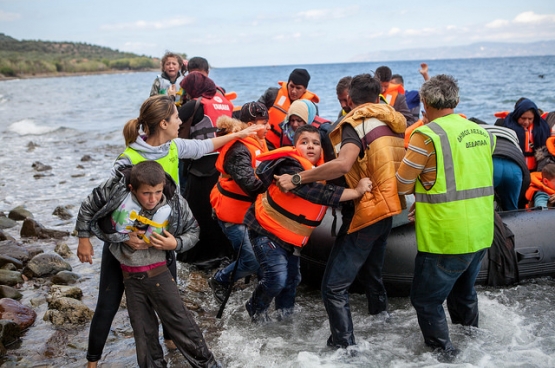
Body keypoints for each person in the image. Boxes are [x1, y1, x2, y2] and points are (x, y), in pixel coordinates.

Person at [77, 94, 261, 367]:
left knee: (169, 297)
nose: (180, 121)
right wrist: (86, 239)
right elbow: (100, 204)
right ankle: (93, 360)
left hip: (162, 240)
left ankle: (171, 341)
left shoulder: (173, 147)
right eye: (177, 117)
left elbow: (205, 146)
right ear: (163, 123)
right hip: (124, 242)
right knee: (109, 301)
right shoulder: (126, 161)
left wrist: (242, 132)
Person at [275, 73, 406, 348]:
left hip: (365, 212)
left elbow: (344, 164)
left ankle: (344, 349)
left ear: (351, 99)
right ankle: (382, 324)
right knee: (372, 275)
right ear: (377, 94)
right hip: (389, 209)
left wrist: (298, 178)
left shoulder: (355, 123)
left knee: (332, 288)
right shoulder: (392, 120)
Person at [76, 161, 220, 368]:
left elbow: (194, 232)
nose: (152, 199)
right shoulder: (116, 192)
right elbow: (88, 207)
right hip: (130, 276)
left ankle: (209, 365)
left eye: (157, 192)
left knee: (181, 323)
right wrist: (86, 238)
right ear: (132, 189)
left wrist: (175, 243)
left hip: (158, 273)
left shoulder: (174, 202)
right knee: (143, 332)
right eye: (146, 194)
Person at [396, 74, 495, 362]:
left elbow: (403, 184)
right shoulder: (481, 132)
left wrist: (421, 194)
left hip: (445, 236)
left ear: (424, 103)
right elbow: (464, 179)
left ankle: (444, 356)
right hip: (480, 230)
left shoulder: (425, 135)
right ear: (457, 100)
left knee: (426, 300)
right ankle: (475, 348)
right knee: (464, 294)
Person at [244, 124, 372, 322]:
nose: (310, 146)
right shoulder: (289, 165)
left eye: (316, 143)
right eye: (304, 142)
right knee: (277, 279)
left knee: (292, 280)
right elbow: (314, 192)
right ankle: (255, 309)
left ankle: (284, 319)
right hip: (266, 231)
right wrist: (355, 192)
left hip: (292, 238)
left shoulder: (322, 171)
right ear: (295, 147)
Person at [207, 102, 270, 302]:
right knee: (252, 260)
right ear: (251, 124)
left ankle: (259, 288)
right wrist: (278, 184)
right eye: (263, 123)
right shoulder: (239, 150)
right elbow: (250, 184)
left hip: (250, 212)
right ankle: (219, 279)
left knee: (261, 258)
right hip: (232, 215)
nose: (268, 127)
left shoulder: (258, 141)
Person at [177, 71, 237, 266]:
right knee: (219, 211)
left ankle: (195, 257)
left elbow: (169, 122)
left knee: (196, 213)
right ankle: (225, 254)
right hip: (225, 166)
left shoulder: (193, 105)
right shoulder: (225, 102)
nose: (184, 93)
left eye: (185, 90)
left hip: (201, 167)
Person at [470, 117, 530, 210]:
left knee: (485, 207)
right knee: (512, 209)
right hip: (515, 166)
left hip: (494, 164)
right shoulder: (510, 131)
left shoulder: (475, 131)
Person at [258, 68, 320, 149]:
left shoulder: (311, 108)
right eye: (291, 86)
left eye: (298, 88)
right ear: (288, 84)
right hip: (265, 142)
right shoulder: (272, 94)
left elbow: (313, 134)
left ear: (305, 90)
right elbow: (255, 114)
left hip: (291, 148)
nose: (293, 91)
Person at [501, 98, 550, 171]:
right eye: (523, 118)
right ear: (517, 115)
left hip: (536, 168)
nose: (526, 122)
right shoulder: (507, 125)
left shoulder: (542, 128)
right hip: (515, 168)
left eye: (530, 119)